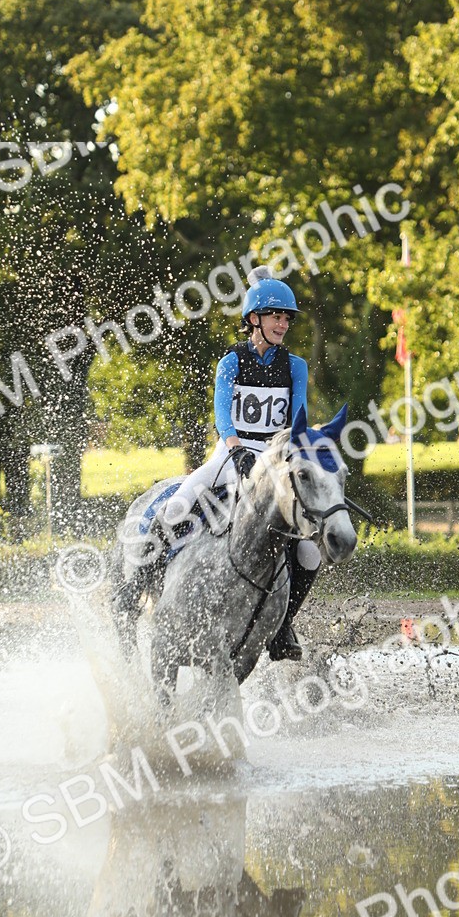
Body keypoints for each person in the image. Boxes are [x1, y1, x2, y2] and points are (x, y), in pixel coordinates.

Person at [119, 266, 321, 661]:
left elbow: (297, 419)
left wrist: (289, 455)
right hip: (230, 452)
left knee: (309, 553)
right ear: (254, 320)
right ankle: (139, 588)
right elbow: (222, 415)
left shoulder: (295, 366)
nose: (283, 323)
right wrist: (235, 448)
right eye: (276, 316)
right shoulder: (231, 361)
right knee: (177, 505)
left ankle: (282, 628)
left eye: (286, 317)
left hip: (273, 460)